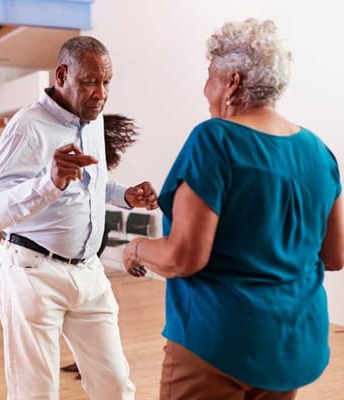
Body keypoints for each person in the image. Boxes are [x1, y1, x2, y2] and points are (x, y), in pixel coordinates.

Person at [122, 19, 343, 400]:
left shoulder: (215, 140)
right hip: (289, 344)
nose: (204, 89)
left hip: (217, 342)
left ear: (232, 81)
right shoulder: (319, 152)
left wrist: (135, 248)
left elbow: (182, 257)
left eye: (209, 76)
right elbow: (336, 255)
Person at [0, 36, 158, 400]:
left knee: (116, 387)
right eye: (91, 81)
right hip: (33, 273)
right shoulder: (26, 126)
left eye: (107, 82)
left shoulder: (90, 123)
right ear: (62, 74)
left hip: (87, 271)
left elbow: (92, 182)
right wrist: (50, 182)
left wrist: (123, 195)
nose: (101, 93)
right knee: (37, 393)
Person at [61, 113, 141, 380]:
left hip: (92, 237)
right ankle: (82, 356)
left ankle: (87, 358)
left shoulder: (91, 155)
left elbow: (103, 187)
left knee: (88, 302)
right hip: (79, 239)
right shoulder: (73, 153)